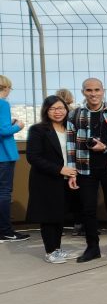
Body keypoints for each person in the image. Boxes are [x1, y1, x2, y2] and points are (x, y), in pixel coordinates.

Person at [66, 78, 107, 261]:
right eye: (89, 90)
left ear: (103, 91)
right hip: (85, 168)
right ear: (83, 92)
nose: (93, 94)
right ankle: (92, 247)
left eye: (96, 90)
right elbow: (70, 145)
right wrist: (71, 171)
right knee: (88, 209)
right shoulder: (75, 115)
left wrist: (106, 147)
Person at [26, 95, 77, 261]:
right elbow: (33, 157)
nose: (57, 112)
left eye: (61, 108)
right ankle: (50, 251)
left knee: (59, 216)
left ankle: (57, 248)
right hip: (45, 179)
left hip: (66, 178)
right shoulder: (38, 130)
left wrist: (71, 173)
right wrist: (59, 169)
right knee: (48, 217)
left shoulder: (71, 128)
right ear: (46, 111)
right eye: (53, 109)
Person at [0, 74, 28, 242]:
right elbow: (3, 131)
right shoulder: (3, 104)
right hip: (4, 156)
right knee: (4, 193)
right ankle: (6, 231)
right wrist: (18, 126)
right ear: (6, 87)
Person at [56, 87, 85, 235]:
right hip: (76, 160)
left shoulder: (54, 117)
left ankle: (58, 227)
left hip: (59, 163)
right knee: (78, 195)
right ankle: (79, 225)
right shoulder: (76, 113)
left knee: (60, 196)